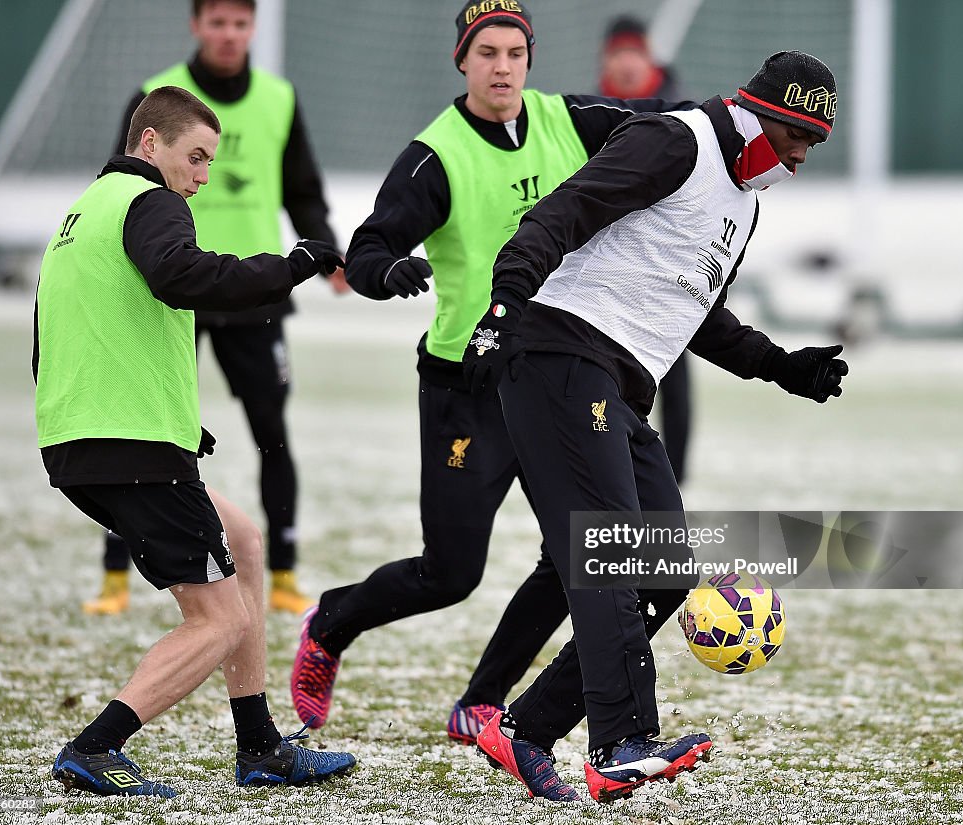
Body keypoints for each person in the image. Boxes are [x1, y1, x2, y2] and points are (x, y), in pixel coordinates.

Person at [290, 0, 689, 769]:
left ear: (529, 60)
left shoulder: (568, 120)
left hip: (556, 373)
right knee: (451, 572)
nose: (502, 66)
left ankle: (483, 705)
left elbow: (661, 123)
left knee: (580, 552)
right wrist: (388, 271)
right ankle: (333, 624)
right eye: (486, 53)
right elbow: (369, 248)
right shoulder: (434, 156)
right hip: (467, 385)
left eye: (514, 52)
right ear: (462, 62)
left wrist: (732, 121)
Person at [463, 51, 847, 803]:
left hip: (615, 386)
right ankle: (621, 741)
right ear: (753, 109)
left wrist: (782, 365)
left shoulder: (746, 204)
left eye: (816, 143)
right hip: (558, 352)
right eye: (795, 132)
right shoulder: (676, 140)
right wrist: (503, 306)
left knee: (666, 568)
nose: (801, 154)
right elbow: (558, 215)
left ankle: (526, 728)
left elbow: (697, 312)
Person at [36, 85, 355, 797]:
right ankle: (95, 746)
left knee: (242, 543)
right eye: (197, 157)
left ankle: (261, 747)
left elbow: (66, 331)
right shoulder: (149, 200)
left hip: (87, 438)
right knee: (219, 618)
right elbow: (184, 275)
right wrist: (291, 264)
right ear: (150, 144)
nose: (203, 175)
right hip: (129, 442)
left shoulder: (83, 212)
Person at [83, 0, 345, 617]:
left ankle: (281, 571)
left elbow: (302, 187)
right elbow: (120, 184)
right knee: (139, 428)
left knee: (272, 435)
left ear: (252, 28)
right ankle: (114, 577)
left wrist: (328, 254)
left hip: (254, 292)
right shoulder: (157, 98)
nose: (229, 35)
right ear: (197, 26)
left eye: (240, 23)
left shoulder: (279, 98)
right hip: (171, 291)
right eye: (217, 23)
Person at [599, 14, 692, 483]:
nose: (626, 63)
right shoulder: (595, 109)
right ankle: (626, 463)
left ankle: (674, 470)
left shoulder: (678, 108)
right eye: (618, 54)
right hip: (618, 256)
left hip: (672, 253)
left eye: (633, 53)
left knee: (673, 362)